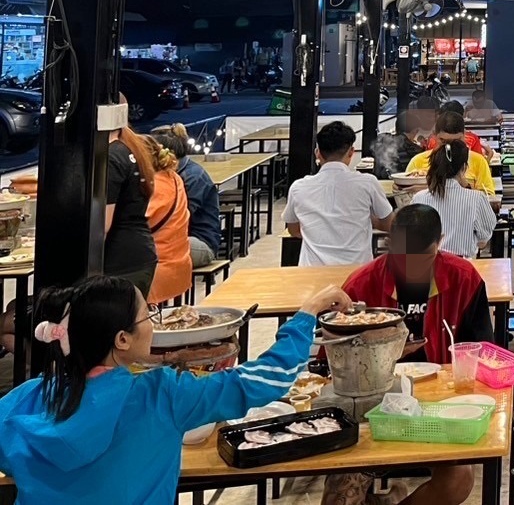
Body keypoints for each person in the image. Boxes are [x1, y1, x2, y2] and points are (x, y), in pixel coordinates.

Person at [0, 275, 350, 505]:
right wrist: (307, 314)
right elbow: (265, 379)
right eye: (147, 315)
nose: (153, 323)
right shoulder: (161, 394)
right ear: (122, 339)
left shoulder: (27, 398)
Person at [331, 205, 492, 505]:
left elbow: (482, 351)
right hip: (372, 407)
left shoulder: (463, 278)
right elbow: (331, 365)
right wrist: (381, 352)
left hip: (440, 406)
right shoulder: (361, 284)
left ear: (440, 242)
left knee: (459, 480)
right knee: (340, 497)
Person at [285, 121, 393, 266]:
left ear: (318, 153)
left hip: (312, 272)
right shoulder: (367, 183)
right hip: (356, 271)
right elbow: (389, 224)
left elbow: (293, 230)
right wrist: (368, 220)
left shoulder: (298, 187)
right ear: (351, 152)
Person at [412, 140, 497, 258]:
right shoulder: (476, 199)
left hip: (426, 265)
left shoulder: (418, 198)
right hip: (462, 265)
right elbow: (483, 240)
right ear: (464, 168)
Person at [152, 125, 221, 267]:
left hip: (200, 241)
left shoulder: (194, 176)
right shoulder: (167, 173)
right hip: (174, 237)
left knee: (147, 250)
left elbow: (179, 218)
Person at [105, 114, 158, 295]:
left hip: (121, 261)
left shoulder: (112, 157)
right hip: (138, 254)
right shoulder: (129, 148)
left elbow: (101, 226)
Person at [142, 137, 192, 306]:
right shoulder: (174, 177)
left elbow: (140, 224)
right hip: (180, 263)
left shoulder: (157, 186)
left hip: (158, 268)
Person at [407, 112, 498, 196]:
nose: (450, 147)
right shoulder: (418, 161)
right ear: (435, 136)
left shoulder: (478, 161)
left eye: (456, 141)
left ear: (464, 136)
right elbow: (405, 194)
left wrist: (464, 187)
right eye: (443, 141)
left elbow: (488, 196)